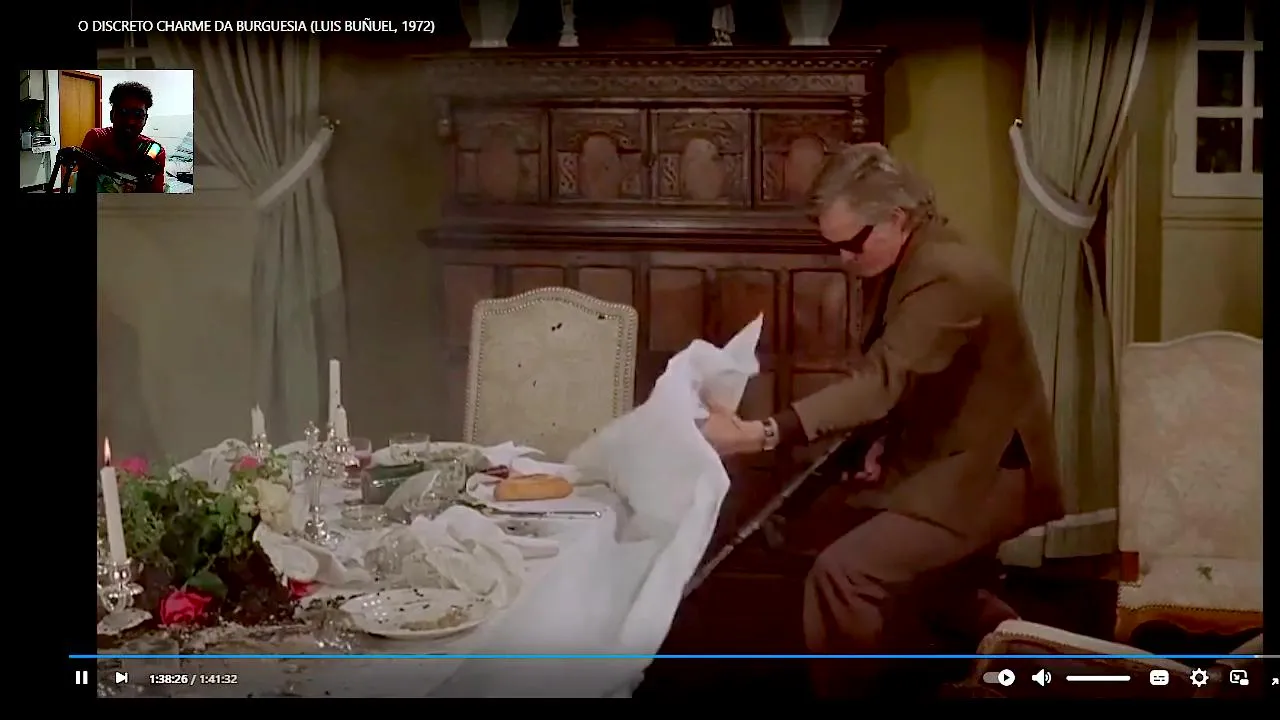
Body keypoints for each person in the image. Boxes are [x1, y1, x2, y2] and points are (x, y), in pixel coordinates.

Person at [699, 142, 1066, 697]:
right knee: (872, 556)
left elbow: (884, 378)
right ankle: (1026, 658)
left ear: (896, 217)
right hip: (942, 455)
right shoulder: (910, 256)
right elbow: (919, 374)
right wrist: (877, 440)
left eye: (852, 244)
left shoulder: (948, 275)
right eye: (834, 246)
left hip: (987, 474)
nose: (843, 260)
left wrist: (763, 432)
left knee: (845, 573)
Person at [77, 81, 167, 193]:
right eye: (123, 113)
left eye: (138, 115)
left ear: (145, 119)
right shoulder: (97, 138)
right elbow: (83, 187)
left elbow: (154, 197)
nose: (130, 121)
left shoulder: (154, 150)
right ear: (112, 115)